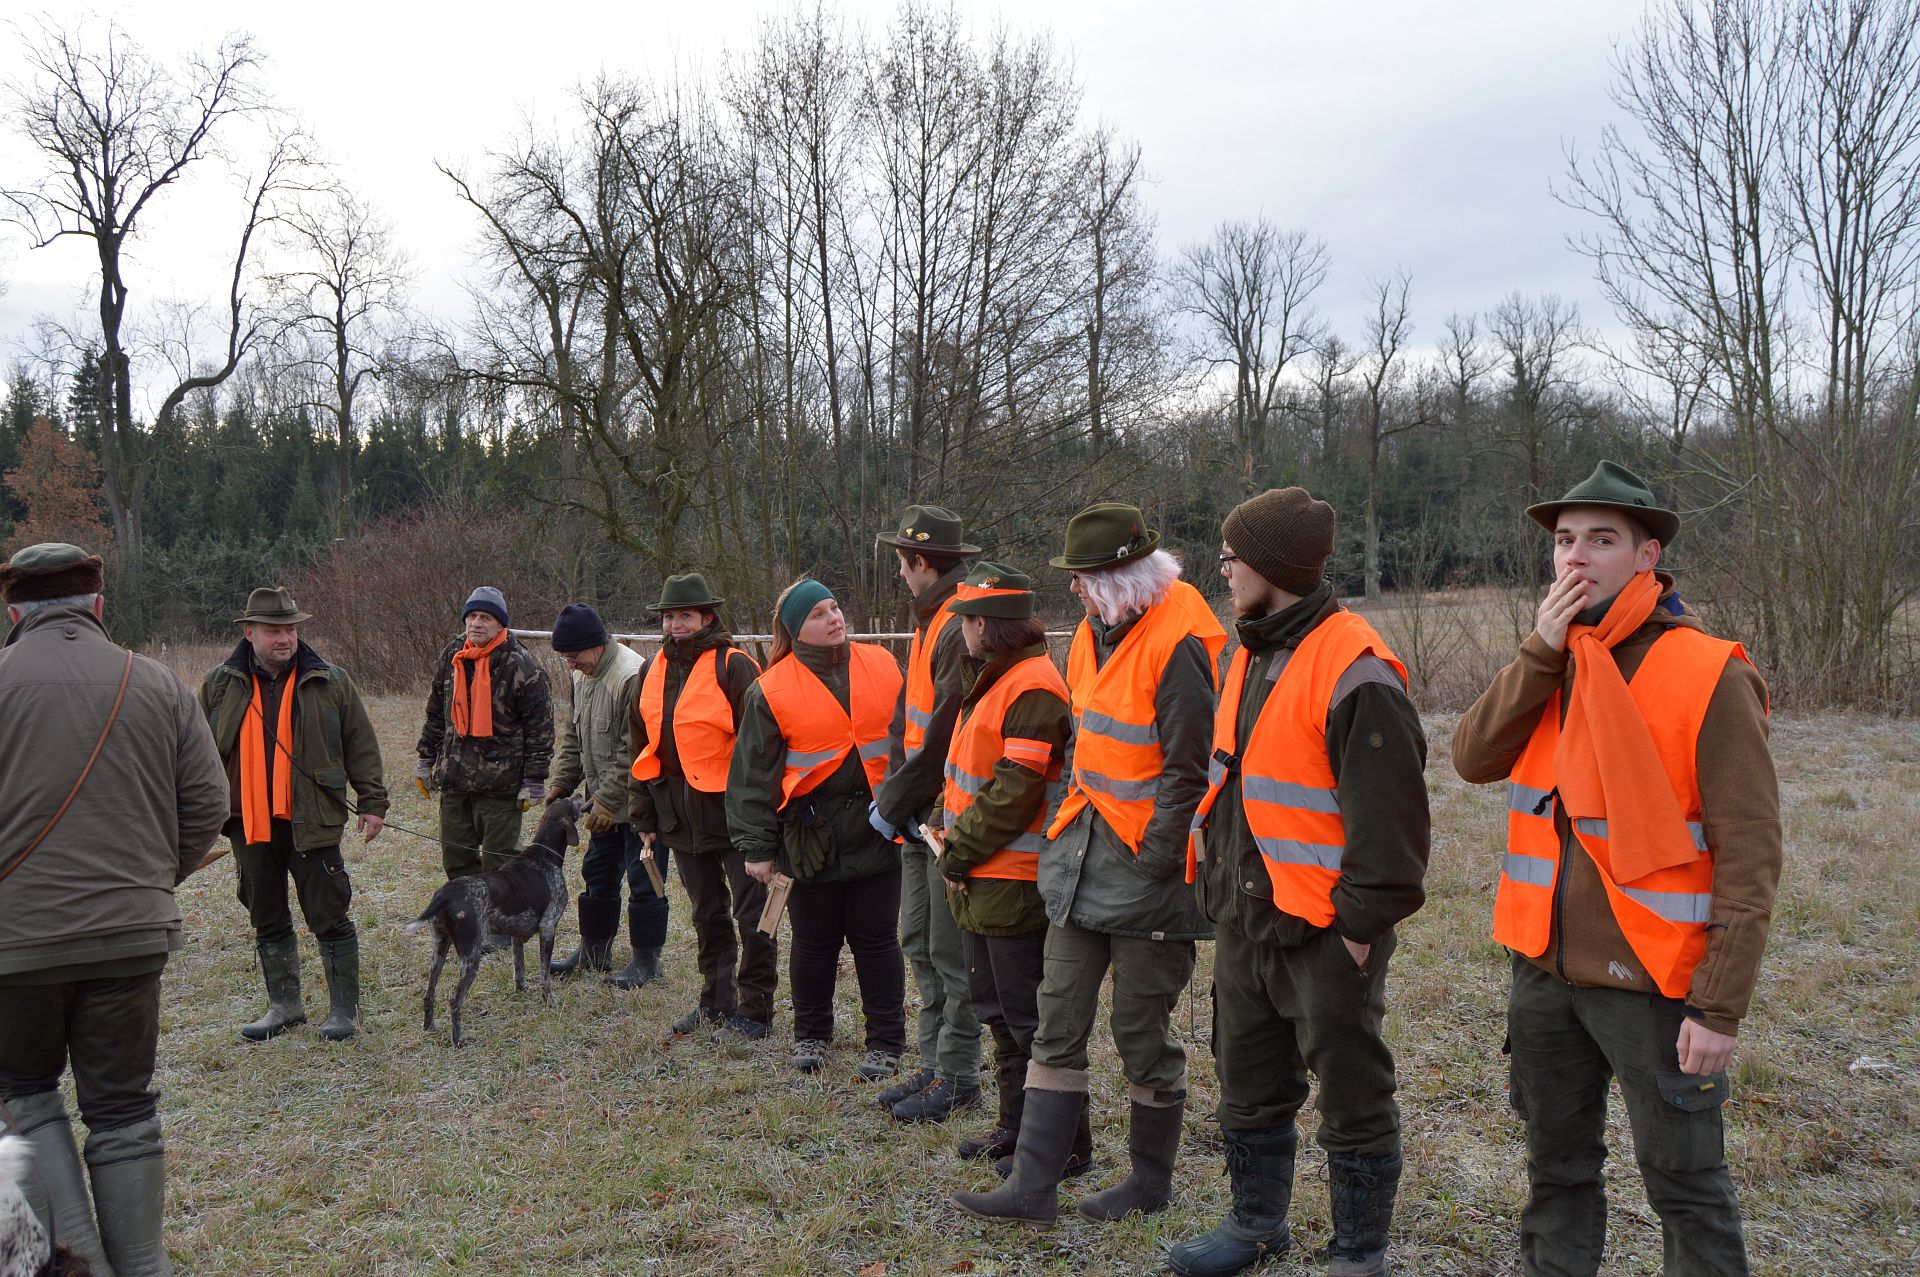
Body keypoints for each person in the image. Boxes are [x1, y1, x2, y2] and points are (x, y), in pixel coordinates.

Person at [1451, 461, 1781, 1277]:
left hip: (1657, 983)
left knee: (1686, 1184)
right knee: (1555, 1170)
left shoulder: (1708, 670)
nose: (1576, 556)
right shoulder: (1555, 659)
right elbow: (1472, 756)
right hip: (1545, 973)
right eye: (1565, 540)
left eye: (1601, 539)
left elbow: (1750, 852)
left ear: (1647, 555)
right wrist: (1539, 649)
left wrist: (1719, 1006)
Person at [1168, 490, 1431, 1277]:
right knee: (1247, 1084)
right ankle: (1255, 1225)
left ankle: (1358, 1251)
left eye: (1232, 556)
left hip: (1324, 935)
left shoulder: (1356, 669)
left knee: (1353, 1093)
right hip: (1245, 921)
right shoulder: (1247, 652)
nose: (1222, 569)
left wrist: (1357, 933)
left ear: (1273, 565)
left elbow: (1391, 830)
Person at [955, 501, 1224, 1226]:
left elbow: (1189, 770)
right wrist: (1063, 837)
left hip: (1150, 876)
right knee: (1056, 1020)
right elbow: (1083, 745)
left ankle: (1149, 1184)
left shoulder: (1180, 644)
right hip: (1081, 863)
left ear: (1119, 578)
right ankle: (1033, 1187)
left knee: (1140, 1033)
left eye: (1081, 576)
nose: (1071, 587)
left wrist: (1159, 858)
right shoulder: (1088, 635)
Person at [0, 543, 228, 1276]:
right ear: (98, 606)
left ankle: (81, 1265)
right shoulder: (157, 682)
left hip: (14, 944)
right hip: (133, 933)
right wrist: (152, 880)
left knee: (24, 1093)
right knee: (125, 1109)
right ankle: (141, 1265)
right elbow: (210, 804)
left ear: (14, 613)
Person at [926, 563, 1093, 1177]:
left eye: (968, 620)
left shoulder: (1032, 687)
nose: (962, 630)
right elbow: (970, 776)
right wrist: (948, 832)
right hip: (983, 873)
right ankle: (1016, 1127)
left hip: (1012, 877)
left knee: (1027, 1020)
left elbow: (1013, 792)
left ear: (987, 625)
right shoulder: (996, 678)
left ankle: (1065, 1146)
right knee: (997, 1011)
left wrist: (957, 849)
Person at [726, 579, 908, 1078]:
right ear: (795, 630)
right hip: (808, 838)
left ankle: (886, 1042)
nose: (834, 618)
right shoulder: (770, 688)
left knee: (877, 943)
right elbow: (752, 775)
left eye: (835, 607)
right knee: (813, 943)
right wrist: (758, 847)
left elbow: (913, 738)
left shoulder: (883, 664)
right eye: (819, 614)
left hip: (878, 829)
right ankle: (811, 1036)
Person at [197, 585, 389, 1043]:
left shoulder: (330, 680)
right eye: (273, 630)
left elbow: (361, 744)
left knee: (329, 912)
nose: (284, 638)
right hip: (247, 820)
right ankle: (284, 1006)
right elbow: (197, 754)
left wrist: (372, 802)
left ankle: (344, 1010)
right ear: (249, 633)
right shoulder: (219, 684)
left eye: (290, 629)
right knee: (265, 913)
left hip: (313, 816)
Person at [870, 505, 984, 1122]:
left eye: (901, 561)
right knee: (918, 938)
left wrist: (895, 804)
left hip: (943, 814)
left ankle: (958, 1074)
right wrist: (893, 801)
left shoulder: (954, 625)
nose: (899, 572)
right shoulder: (930, 620)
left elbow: (940, 735)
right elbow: (906, 724)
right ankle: (934, 1062)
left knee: (947, 950)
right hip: (918, 814)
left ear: (919, 562)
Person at [624, 573, 771, 1034]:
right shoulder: (650, 671)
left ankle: (756, 1009)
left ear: (707, 617)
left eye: (685, 615)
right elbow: (639, 748)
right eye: (669, 617)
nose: (676, 625)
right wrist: (643, 814)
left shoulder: (736, 666)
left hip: (735, 817)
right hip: (677, 816)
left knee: (752, 915)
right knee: (706, 914)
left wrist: (762, 819)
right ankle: (715, 1001)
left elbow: (763, 748)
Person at [543, 603, 669, 988]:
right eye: (565, 658)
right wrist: (561, 784)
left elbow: (634, 749)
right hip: (601, 801)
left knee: (645, 879)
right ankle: (594, 951)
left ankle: (646, 962)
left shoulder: (631, 675)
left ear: (596, 644)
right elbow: (574, 736)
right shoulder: (581, 676)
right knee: (597, 873)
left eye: (574, 656)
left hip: (641, 803)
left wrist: (608, 801)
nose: (570, 664)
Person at [416, 585, 554, 878]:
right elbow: (436, 713)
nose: (476, 623)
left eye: (485, 618)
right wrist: (425, 760)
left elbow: (540, 729)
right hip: (455, 782)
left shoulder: (521, 664)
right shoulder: (453, 655)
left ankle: (504, 911)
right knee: (457, 864)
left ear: (500, 624)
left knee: (501, 869)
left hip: (500, 787)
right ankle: (467, 909)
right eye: (472, 616)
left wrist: (534, 779)